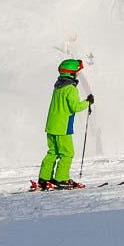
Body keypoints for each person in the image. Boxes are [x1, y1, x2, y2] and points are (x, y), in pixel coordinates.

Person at [37, 59, 94, 190]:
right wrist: (87, 102)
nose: (78, 74)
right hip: (62, 127)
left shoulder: (58, 87)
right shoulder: (70, 89)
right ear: (72, 73)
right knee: (67, 153)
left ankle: (44, 179)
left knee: (53, 152)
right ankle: (61, 179)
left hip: (51, 126)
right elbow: (75, 107)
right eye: (77, 72)